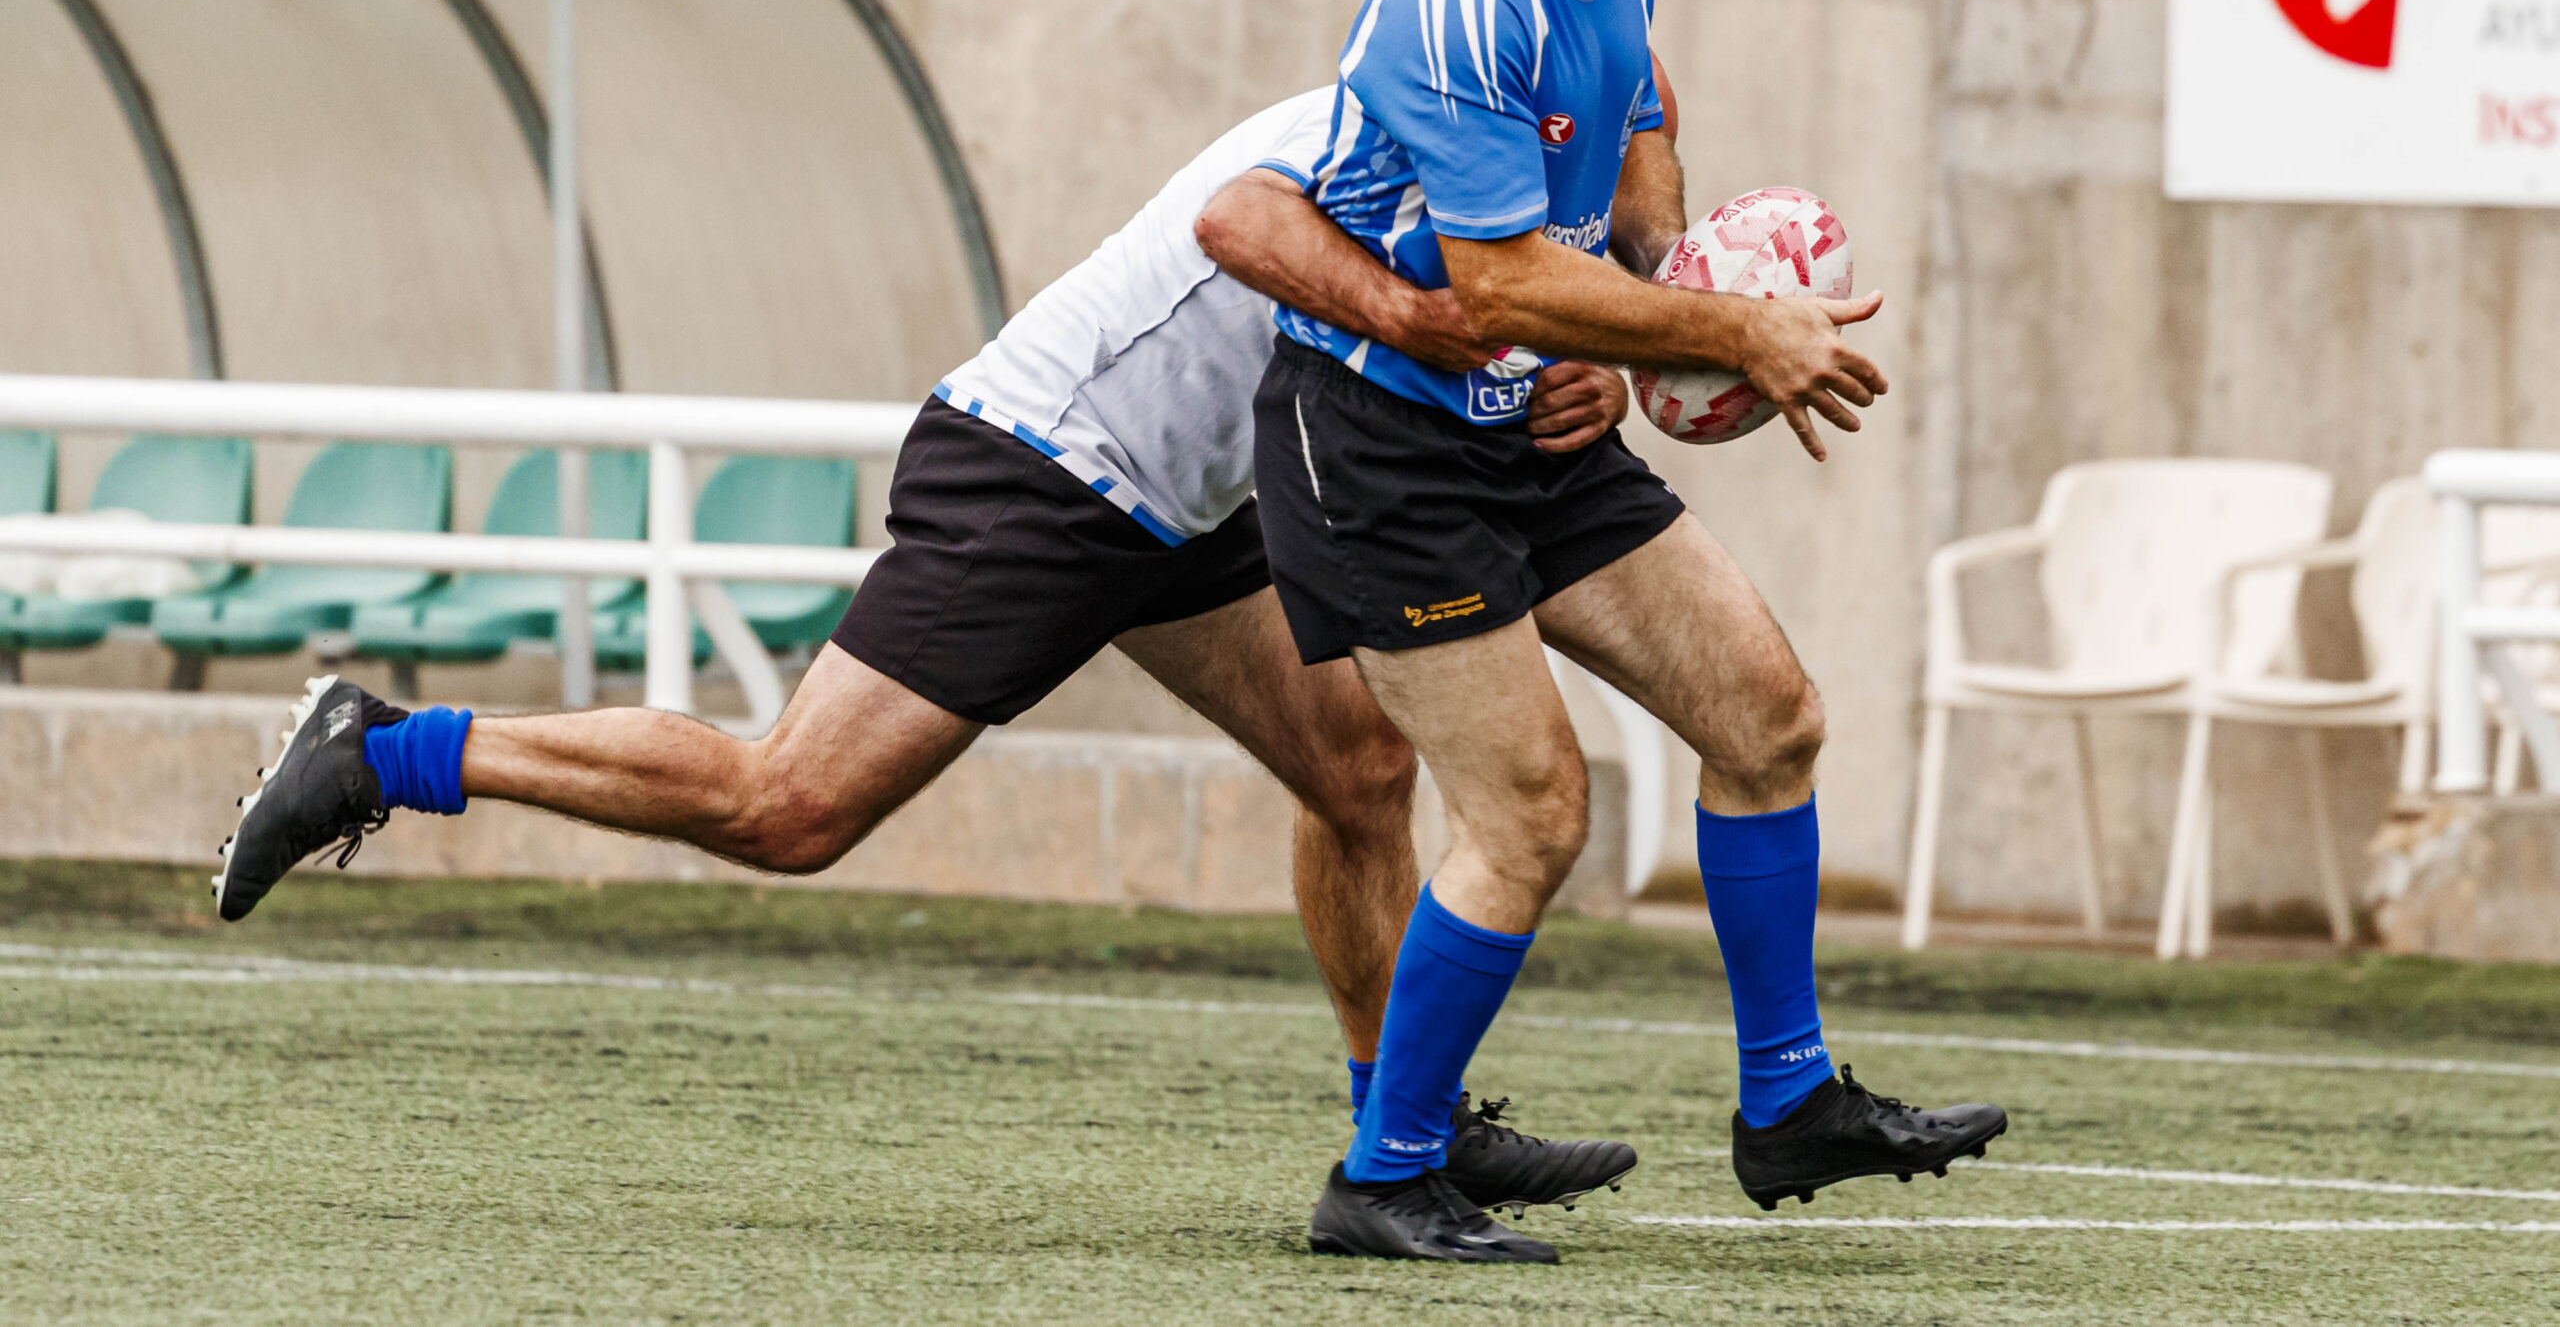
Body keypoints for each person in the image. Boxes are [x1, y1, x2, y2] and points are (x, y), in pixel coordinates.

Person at [210, 86, 1640, 1222]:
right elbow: (1423, 306)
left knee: (1360, 766)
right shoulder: (1394, 126)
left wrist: (1616, 348)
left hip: (1182, 501)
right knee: (791, 811)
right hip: (1043, 472)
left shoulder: (1507, 125)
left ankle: (1401, 1132)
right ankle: (380, 749)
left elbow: (1597, 212)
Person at [1257, 0, 2007, 1267]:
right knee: (1529, 808)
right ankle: (1383, 1177)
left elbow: (1640, 103)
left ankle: (1789, 1105)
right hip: (1380, 435)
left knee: (1767, 714)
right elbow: (1495, 276)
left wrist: (1666, 282)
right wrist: (1729, 335)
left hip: (1532, 411)